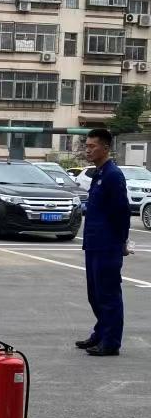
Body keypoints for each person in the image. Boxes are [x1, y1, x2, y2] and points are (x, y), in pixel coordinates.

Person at [75, 128, 132, 357]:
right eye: (87, 146)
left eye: (92, 146)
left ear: (105, 148)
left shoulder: (112, 175)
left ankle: (110, 342)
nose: (88, 150)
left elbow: (122, 211)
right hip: (94, 243)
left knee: (108, 294)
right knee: (95, 294)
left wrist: (121, 242)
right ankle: (100, 333)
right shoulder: (98, 173)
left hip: (108, 245)